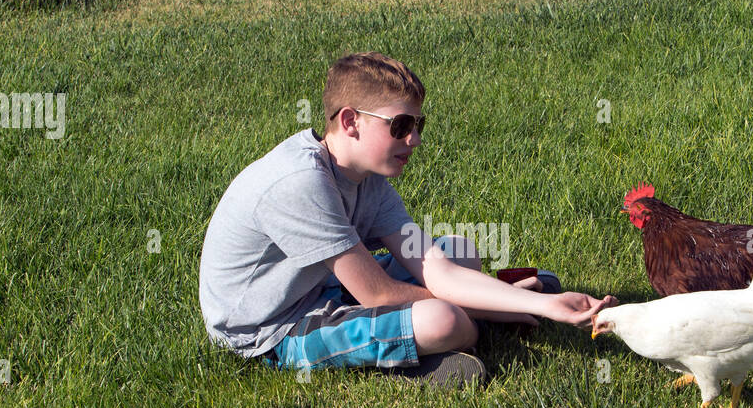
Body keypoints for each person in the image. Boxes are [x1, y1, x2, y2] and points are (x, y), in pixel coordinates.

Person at [198, 52, 615, 386]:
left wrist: (541, 304)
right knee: (445, 319)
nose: (414, 138)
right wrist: (503, 307)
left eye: (417, 124)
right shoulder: (299, 183)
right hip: (270, 329)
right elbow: (377, 294)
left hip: (323, 284)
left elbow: (437, 270)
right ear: (350, 121)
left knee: (459, 249)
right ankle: (451, 340)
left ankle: (484, 314)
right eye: (400, 125)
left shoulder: (367, 179)